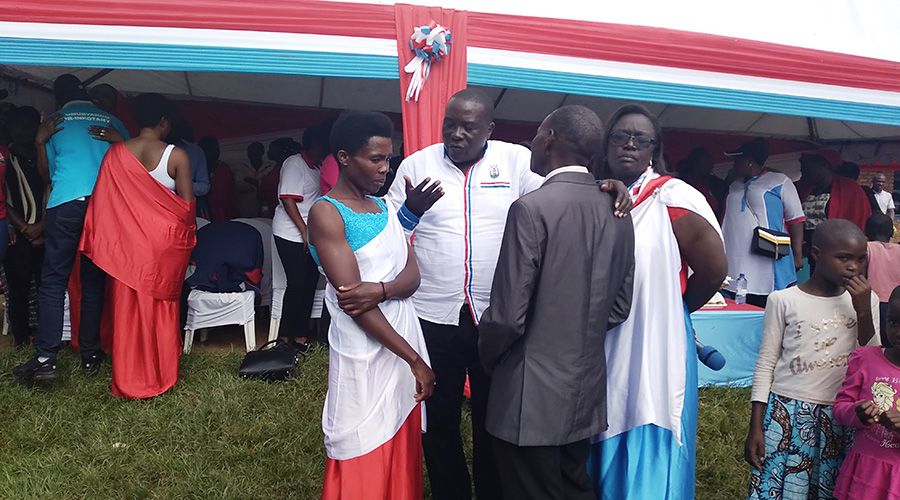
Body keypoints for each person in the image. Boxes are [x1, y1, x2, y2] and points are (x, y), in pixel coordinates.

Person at [386, 88, 631, 500]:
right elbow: (389, 239)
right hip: (433, 314)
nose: (457, 134)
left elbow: (564, 192)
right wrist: (408, 212)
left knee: (492, 420)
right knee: (438, 416)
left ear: (489, 129)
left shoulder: (515, 160)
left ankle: (493, 492)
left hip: (497, 319)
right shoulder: (416, 164)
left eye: (469, 127)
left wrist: (606, 185)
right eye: (450, 125)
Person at [478, 105, 635, 500]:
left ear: (550, 139)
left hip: (528, 394)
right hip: (584, 388)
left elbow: (507, 318)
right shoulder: (617, 209)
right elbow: (619, 306)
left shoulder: (531, 208)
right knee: (573, 486)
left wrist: (488, 356)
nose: (530, 141)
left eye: (536, 133)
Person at [588, 104, 728, 500]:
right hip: (599, 338)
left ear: (655, 148)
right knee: (601, 417)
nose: (630, 144)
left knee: (647, 409)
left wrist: (674, 308)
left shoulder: (672, 196)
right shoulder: (592, 191)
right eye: (620, 136)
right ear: (607, 143)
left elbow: (713, 271)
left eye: (641, 139)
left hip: (655, 336)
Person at [306, 110, 434, 499]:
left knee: (398, 427)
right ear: (344, 158)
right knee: (362, 433)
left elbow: (411, 278)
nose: (386, 168)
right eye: (376, 159)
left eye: (388, 159)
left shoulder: (381, 208)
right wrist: (414, 359)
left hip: (398, 330)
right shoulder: (326, 212)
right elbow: (354, 305)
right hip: (364, 346)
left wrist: (378, 289)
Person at [744, 219, 880, 500]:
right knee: (781, 488)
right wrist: (755, 426)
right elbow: (767, 360)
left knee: (830, 488)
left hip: (842, 414)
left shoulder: (869, 300)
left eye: (861, 259)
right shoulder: (783, 300)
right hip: (788, 412)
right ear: (816, 254)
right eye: (844, 258)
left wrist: (863, 311)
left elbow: (872, 360)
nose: (854, 267)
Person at [78, 93, 195, 399]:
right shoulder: (177, 155)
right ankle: (162, 373)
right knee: (161, 310)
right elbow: (186, 208)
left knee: (126, 312)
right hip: (161, 248)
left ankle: (128, 377)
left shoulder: (115, 153)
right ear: (164, 122)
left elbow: (103, 204)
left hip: (126, 250)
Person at [13, 74, 129, 381]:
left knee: (53, 280)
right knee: (93, 280)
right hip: (105, 204)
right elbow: (130, 162)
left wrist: (40, 141)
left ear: (56, 96)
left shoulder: (54, 120)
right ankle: (90, 355)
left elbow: (46, 174)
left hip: (66, 203)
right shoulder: (113, 121)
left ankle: (45, 358)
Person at [832, 284, 900, 499]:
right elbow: (841, 407)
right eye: (892, 321)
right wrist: (857, 413)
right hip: (865, 471)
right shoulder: (866, 358)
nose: (897, 332)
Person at [721, 138, 805, 308]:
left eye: (738, 160)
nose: (733, 164)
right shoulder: (734, 185)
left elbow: (796, 220)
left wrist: (797, 254)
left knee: (769, 302)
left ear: (750, 161)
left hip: (767, 252)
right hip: (735, 256)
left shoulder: (780, 181)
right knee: (737, 299)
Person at [272, 125, 329, 348]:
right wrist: (303, 230)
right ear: (315, 144)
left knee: (310, 283)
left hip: (308, 234)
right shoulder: (295, 163)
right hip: (290, 232)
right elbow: (288, 200)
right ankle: (285, 338)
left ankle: (301, 336)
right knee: (296, 284)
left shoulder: (316, 167)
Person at [4, 106, 48, 349]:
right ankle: (20, 340)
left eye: (30, 124)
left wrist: (41, 227)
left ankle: (46, 337)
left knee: (47, 289)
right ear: (10, 127)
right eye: (19, 124)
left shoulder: (46, 158)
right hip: (16, 232)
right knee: (18, 289)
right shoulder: (4, 158)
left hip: (47, 231)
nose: (24, 129)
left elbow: (54, 190)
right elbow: (2, 196)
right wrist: (25, 228)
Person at [795, 149, 872, 259]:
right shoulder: (805, 188)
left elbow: (859, 217)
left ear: (823, 166)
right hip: (812, 249)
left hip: (839, 250)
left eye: (808, 167)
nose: (803, 171)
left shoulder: (849, 187)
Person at [865, 213, 900, 345]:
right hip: (896, 301)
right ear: (891, 232)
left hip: (875, 300)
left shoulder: (867, 248)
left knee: (877, 339)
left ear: (866, 231)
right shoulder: (899, 249)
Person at [168, 113, 209, 219]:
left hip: (192, 209)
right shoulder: (152, 151)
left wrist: (179, 185)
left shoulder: (194, 151)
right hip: (163, 208)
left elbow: (204, 186)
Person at [679, 147, 728, 220]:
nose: (711, 165)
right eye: (706, 161)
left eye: (711, 161)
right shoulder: (680, 184)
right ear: (694, 163)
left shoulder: (718, 184)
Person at [198, 136, 238, 221]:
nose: (215, 153)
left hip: (226, 213)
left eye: (217, 149)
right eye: (211, 150)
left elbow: (232, 194)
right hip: (205, 214)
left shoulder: (224, 168)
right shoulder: (196, 170)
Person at [259, 137, 299, 218]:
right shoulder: (274, 169)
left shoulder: (281, 170)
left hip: (284, 212)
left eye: (271, 149)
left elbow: (262, 193)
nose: (268, 152)